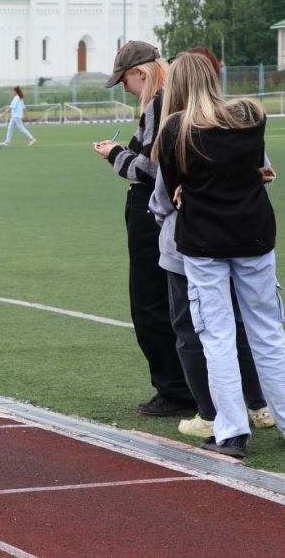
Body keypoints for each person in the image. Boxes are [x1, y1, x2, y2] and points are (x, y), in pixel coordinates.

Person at [153, 52, 285, 457]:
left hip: (204, 245)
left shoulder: (175, 129)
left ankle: (231, 432)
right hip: (254, 237)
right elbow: (259, 172)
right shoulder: (250, 114)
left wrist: (183, 194)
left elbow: (168, 195)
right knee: (268, 331)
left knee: (218, 336)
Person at [92, 40, 195, 417]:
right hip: (181, 210)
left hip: (152, 208)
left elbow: (153, 169)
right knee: (178, 301)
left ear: (142, 72)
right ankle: (189, 385)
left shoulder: (159, 104)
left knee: (150, 302)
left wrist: (114, 155)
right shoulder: (177, 100)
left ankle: (174, 388)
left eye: (125, 79)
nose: (124, 87)